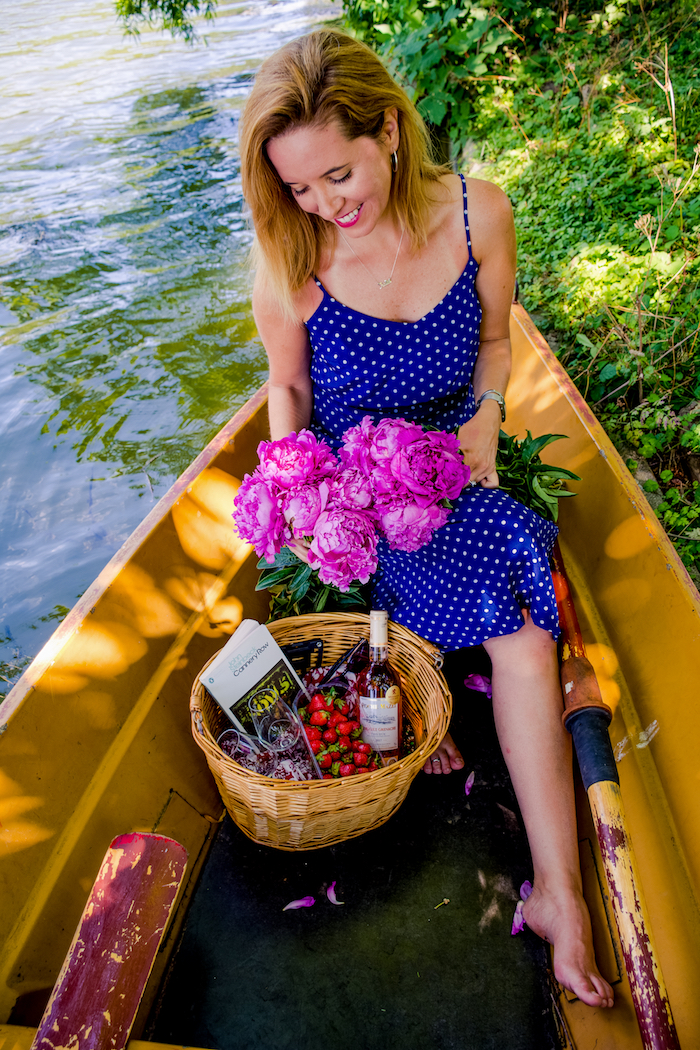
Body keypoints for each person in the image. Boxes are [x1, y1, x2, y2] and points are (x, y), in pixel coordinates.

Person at [239, 28, 614, 1010]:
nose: (324, 205)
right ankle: (418, 662)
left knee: (518, 615)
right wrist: (297, 493)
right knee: (514, 608)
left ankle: (557, 897)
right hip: (356, 508)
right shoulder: (294, 261)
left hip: (455, 474)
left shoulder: (478, 213)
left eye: (337, 173)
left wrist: (487, 417)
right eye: (300, 189)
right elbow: (286, 389)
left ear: (391, 132)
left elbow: (493, 342)